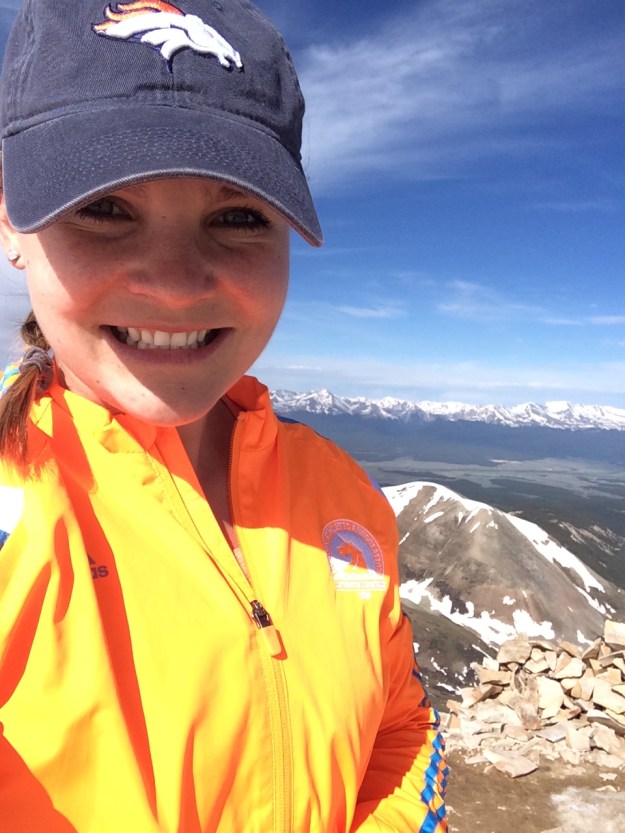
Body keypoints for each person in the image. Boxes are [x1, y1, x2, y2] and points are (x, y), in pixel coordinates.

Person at [0, 1, 448, 831]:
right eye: (104, 207)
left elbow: (399, 725)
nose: (174, 283)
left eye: (238, 216)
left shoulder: (342, 495)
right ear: (9, 221)